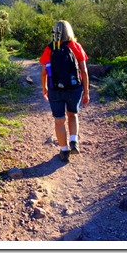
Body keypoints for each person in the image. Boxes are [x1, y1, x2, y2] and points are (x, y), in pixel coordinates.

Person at [39, 20, 90, 162]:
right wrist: (86, 91)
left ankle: (64, 150)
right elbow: (84, 71)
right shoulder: (76, 46)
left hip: (55, 89)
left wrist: (44, 88)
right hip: (74, 88)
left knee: (59, 120)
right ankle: (74, 141)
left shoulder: (50, 48)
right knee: (72, 114)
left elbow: (43, 72)